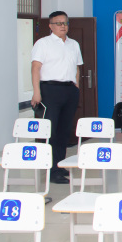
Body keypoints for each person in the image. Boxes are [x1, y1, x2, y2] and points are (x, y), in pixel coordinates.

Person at [31, 11, 83, 184]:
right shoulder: (43, 43)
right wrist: (36, 92)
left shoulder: (73, 44)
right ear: (50, 25)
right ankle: (51, 170)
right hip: (50, 90)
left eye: (65, 23)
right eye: (58, 23)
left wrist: (76, 87)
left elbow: (77, 68)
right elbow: (35, 68)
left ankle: (60, 164)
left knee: (64, 131)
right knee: (50, 131)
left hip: (69, 90)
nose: (63, 26)